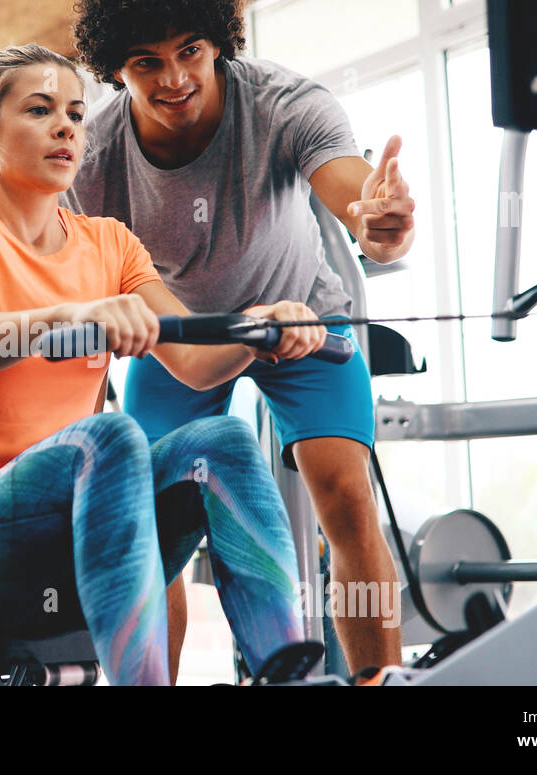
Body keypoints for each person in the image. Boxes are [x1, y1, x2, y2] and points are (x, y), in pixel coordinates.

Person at [0, 43, 330, 686]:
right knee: (108, 435)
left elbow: (193, 360)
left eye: (75, 113)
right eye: (40, 110)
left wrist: (260, 331)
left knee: (222, 439)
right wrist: (67, 320)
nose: (66, 127)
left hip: (78, 551)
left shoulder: (111, 244)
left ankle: (287, 673)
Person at [65, 0, 417, 679]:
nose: (174, 79)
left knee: (345, 495)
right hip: (179, 333)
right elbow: (91, 284)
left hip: (301, 317)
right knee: (151, 516)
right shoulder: (95, 158)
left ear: (219, 40)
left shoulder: (285, 103)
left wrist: (379, 223)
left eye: (190, 51)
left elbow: (355, 202)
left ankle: (382, 680)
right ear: (115, 68)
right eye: (147, 63)